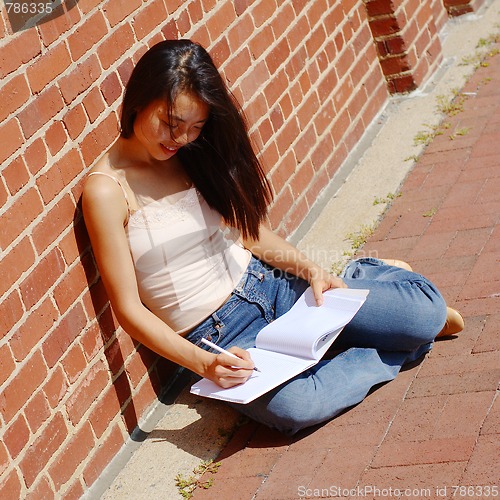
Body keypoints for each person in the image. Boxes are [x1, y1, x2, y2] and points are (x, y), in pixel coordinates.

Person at [82, 39, 464, 435]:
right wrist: (204, 364)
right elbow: (128, 309)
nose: (179, 138)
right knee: (297, 408)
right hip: (221, 337)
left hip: (271, 286)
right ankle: (398, 339)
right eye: (171, 122)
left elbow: (248, 233)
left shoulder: (190, 156)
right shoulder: (107, 190)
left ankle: (371, 278)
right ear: (139, 100)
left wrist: (310, 268)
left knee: (427, 314)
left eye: (195, 127)